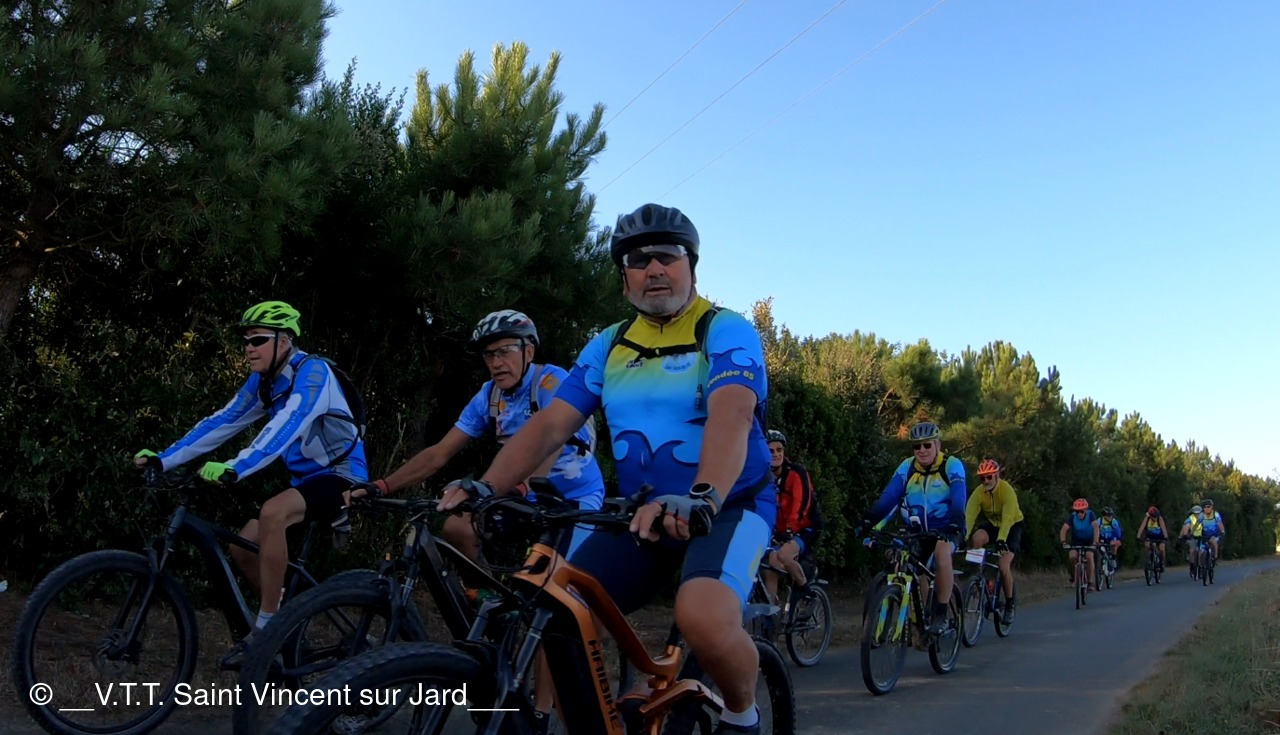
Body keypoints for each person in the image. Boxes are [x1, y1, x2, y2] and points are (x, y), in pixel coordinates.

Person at [436, 203, 777, 735]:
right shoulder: (610, 344)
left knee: (703, 618)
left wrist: (705, 495)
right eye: (638, 261)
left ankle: (742, 716)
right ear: (625, 279)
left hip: (731, 504)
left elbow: (732, 415)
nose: (654, 269)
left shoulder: (725, 329)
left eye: (667, 256)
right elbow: (550, 426)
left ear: (691, 267)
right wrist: (486, 486)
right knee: (561, 611)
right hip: (645, 511)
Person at [133, 301, 367, 667]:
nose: (249, 348)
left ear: (284, 340)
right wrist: (165, 459)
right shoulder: (265, 382)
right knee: (243, 546)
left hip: (344, 477)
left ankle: (266, 632)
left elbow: (287, 424)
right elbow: (223, 421)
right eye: (246, 340)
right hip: (305, 480)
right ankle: (289, 625)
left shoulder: (313, 372)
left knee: (273, 513)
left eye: (258, 339)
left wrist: (235, 467)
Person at [357, 309, 605, 564]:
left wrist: (518, 488)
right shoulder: (489, 396)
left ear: (529, 352)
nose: (495, 363)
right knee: (458, 529)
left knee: (556, 577)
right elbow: (439, 453)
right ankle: (480, 588)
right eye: (489, 354)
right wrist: (382, 486)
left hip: (574, 495)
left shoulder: (550, 381)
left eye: (505, 351)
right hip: (520, 495)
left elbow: (552, 441)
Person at [860, 421, 967, 635]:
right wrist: (868, 521)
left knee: (941, 552)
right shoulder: (907, 467)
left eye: (927, 445)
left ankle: (941, 613)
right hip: (917, 531)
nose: (922, 450)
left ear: (937, 445)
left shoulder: (951, 465)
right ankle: (919, 618)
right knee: (902, 563)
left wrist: (956, 522)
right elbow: (889, 497)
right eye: (917, 446)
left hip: (947, 528)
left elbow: (959, 497)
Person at [762, 429, 824, 606]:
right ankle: (771, 613)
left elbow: (801, 503)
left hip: (806, 526)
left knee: (785, 555)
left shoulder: (796, 473)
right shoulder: (764, 477)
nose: (776, 454)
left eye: (779, 450)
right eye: (771, 451)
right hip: (782, 531)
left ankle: (806, 591)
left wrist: (790, 529)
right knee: (770, 564)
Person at [964, 459, 1023, 621]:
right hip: (993, 524)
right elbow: (969, 516)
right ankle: (981, 579)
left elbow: (1008, 518)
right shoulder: (979, 492)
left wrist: (1002, 539)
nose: (986, 481)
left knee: (1003, 566)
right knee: (976, 539)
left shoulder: (1007, 490)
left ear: (997, 475)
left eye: (989, 477)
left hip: (1012, 526)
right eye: (982, 478)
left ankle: (1010, 604)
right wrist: (963, 536)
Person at [1059, 498, 1100, 591]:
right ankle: (1074, 577)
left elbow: (1096, 527)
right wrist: (1063, 542)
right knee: (1072, 557)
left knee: (1089, 556)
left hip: (1089, 541)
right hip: (1076, 541)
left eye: (1081, 511)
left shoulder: (1091, 515)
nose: (1079, 514)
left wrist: (1095, 542)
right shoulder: (1073, 516)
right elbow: (1064, 529)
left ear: (1086, 510)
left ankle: (1090, 582)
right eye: (1077, 511)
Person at [1139, 505, 1170, 571]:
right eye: (1153, 517)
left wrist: (1165, 536)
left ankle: (1161, 562)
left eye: (1156, 516)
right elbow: (1142, 527)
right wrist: (1138, 536)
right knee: (1147, 546)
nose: (1155, 518)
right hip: (1150, 536)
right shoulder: (1147, 518)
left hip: (1160, 536)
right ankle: (1147, 560)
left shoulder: (1159, 519)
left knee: (1161, 549)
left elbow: (1164, 528)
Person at [1199, 498, 1226, 564]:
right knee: (1200, 549)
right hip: (1204, 534)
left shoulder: (1215, 514)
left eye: (1208, 507)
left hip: (1214, 534)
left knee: (1213, 542)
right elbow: (1196, 524)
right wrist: (1192, 532)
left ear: (1212, 507)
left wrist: (1222, 531)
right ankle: (1200, 563)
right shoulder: (1201, 515)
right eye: (1205, 507)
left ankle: (1215, 557)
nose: (1207, 508)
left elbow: (1219, 523)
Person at [1097, 507, 1123, 575]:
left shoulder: (1114, 522)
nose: (1110, 517)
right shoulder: (1099, 521)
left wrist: (1118, 540)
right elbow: (1095, 530)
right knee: (1098, 548)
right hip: (1102, 538)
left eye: (1111, 515)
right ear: (1104, 516)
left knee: (1114, 546)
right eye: (1108, 515)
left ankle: (1113, 558)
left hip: (1111, 538)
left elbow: (1118, 533)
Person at [1180, 504, 1204, 578]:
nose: (1197, 514)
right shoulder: (1190, 519)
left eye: (1198, 513)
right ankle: (1192, 566)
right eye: (1195, 513)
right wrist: (1183, 535)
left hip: (1202, 537)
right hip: (1193, 537)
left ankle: (1202, 566)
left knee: (1202, 551)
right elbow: (1185, 527)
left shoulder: (1204, 518)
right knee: (1192, 551)